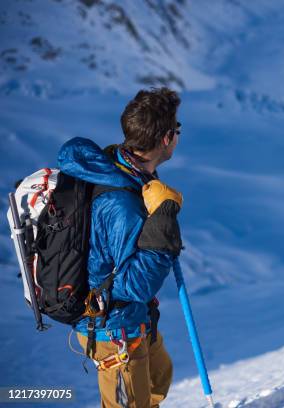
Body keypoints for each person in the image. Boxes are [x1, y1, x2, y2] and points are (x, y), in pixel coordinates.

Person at [57, 87, 183, 407]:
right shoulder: (121, 203)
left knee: (158, 378)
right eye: (177, 130)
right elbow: (133, 284)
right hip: (114, 327)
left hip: (133, 318)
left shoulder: (118, 166)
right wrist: (164, 219)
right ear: (167, 138)